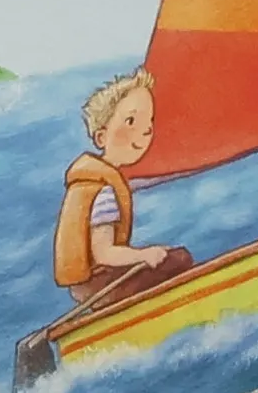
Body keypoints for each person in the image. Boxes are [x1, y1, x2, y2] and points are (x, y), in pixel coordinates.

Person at [53, 66, 193, 304]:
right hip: (100, 287)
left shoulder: (91, 180)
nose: (146, 131)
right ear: (101, 137)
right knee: (179, 259)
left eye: (149, 122)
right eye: (131, 121)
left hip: (92, 286)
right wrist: (143, 255)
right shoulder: (104, 190)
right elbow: (104, 253)